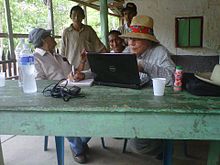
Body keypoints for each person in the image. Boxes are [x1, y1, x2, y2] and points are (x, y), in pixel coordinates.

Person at [28, 28, 90, 164]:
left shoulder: (57, 56)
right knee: (65, 117)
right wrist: (63, 82)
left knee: (96, 112)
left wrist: (82, 62)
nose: (53, 38)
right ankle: (78, 148)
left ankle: (80, 141)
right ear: (44, 40)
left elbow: (73, 73)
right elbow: (39, 85)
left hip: (73, 92)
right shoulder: (35, 59)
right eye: (50, 36)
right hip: (54, 98)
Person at [120, 15, 176, 159]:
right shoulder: (126, 52)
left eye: (136, 39)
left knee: (139, 146)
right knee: (112, 129)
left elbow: (173, 78)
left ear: (147, 40)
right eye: (129, 38)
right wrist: (84, 74)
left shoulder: (160, 52)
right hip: (129, 105)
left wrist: (144, 66)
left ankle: (163, 144)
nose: (131, 43)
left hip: (155, 109)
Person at [61, 5, 106, 70]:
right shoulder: (66, 32)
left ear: (83, 16)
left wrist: (109, 58)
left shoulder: (89, 30)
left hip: (88, 67)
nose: (76, 18)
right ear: (70, 16)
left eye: (79, 15)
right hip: (72, 68)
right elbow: (62, 53)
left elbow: (99, 46)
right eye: (74, 15)